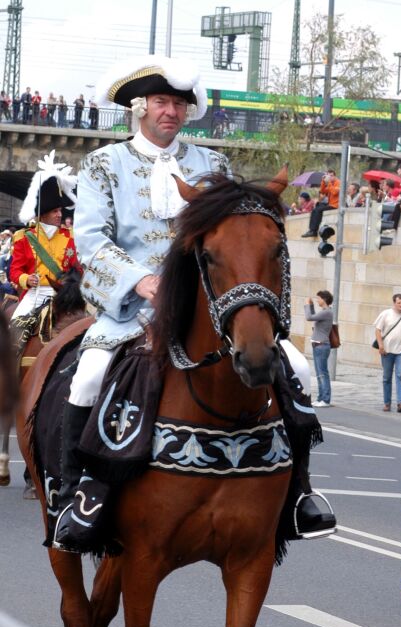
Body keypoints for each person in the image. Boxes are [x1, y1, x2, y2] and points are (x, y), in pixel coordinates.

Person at [52, 54, 336, 552]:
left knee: (298, 370)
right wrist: (141, 282)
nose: (171, 112)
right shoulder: (103, 164)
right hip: (134, 309)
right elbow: (93, 242)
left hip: (212, 309)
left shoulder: (213, 164)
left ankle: (299, 493)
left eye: (180, 104)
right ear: (139, 107)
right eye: (161, 102)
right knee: (90, 373)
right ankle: (80, 491)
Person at [9, 151, 79, 329]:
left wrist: (72, 284)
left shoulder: (70, 236)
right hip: (35, 293)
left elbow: (77, 268)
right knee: (14, 330)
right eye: (55, 211)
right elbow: (15, 271)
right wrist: (26, 279)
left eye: (60, 211)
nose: (60, 215)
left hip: (63, 296)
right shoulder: (23, 238)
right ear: (44, 213)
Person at [374, 293, 401, 412]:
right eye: (399, 303)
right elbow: (378, 330)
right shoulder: (385, 314)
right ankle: (387, 403)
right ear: (394, 303)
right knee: (387, 377)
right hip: (387, 351)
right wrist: (381, 345)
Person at [304, 291, 334, 407]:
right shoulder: (324, 312)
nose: (317, 300)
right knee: (319, 373)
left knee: (322, 373)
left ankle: (325, 399)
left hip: (321, 346)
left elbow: (309, 317)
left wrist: (307, 304)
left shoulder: (327, 313)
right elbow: (313, 317)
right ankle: (321, 398)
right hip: (318, 346)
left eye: (319, 298)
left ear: (324, 299)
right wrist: (310, 306)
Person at [301, 169, 340, 237]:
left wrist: (329, 183)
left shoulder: (338, 182)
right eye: (328, 176)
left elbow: (334, 192)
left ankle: (314, 231)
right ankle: (311, 230)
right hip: (331, 204)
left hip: (336, 205)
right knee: (315, 209)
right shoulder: (330, 184)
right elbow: (323, 192)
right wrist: (323, 181)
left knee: (318, 210)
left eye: (331, 176)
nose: (330, 177)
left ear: (335, 176)